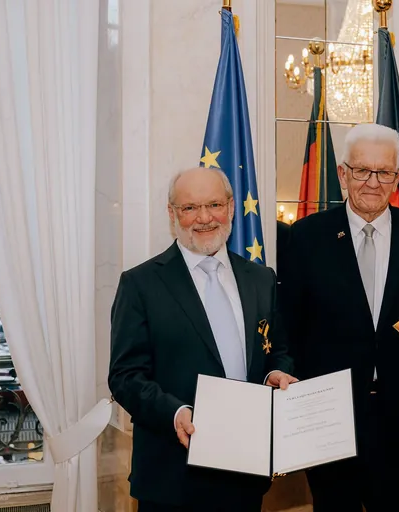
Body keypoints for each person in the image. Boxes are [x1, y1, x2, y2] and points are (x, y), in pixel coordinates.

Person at [283, 123, 399, 511]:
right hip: (328, 420)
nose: (372, 182)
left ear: (398, 177)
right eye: (362, 170)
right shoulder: (306, 237)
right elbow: (289, 331)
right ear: (343, 173)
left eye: (384, 172)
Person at [108, 167, 296, 511]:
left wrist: (275, 375)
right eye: (189, 208)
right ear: (172, 213)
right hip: (172, 478)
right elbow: (124, 376)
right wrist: (175, 412)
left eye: (213, 205)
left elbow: (277, 352)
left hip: (246, 473)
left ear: (231, 207)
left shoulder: (261, 279)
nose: (204, 218)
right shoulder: (140, 284)